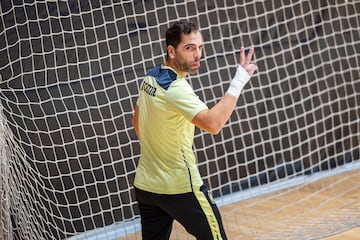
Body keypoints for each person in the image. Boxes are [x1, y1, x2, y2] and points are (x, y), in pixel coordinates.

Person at [132, 20, 258, 240]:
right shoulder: (177, 88)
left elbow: (137, 121)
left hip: (147, 186)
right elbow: (213, 124)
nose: (198, 54)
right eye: (190, 48)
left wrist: (158, 151)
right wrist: (239, 80)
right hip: (181, 188)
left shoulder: (151, 76)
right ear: (171, 51)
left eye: (200, 47)